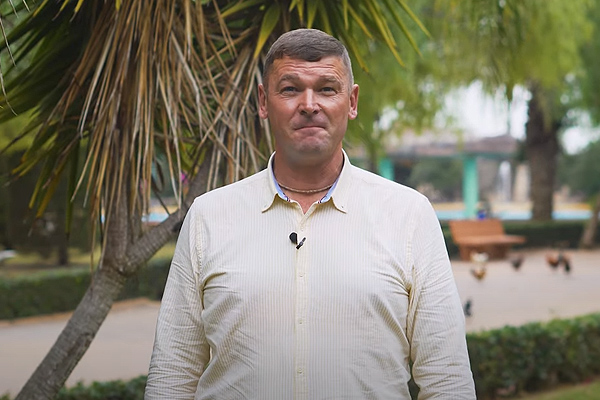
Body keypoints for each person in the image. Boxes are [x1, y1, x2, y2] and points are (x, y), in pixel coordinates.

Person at [145, 28, 476, 399]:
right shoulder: (209, 216)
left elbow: (447, 380)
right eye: (290, 89)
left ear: (351, 102)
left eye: (326, 89)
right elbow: (173, 376)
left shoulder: (408, 215)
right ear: (263, 102)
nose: (308, 104)